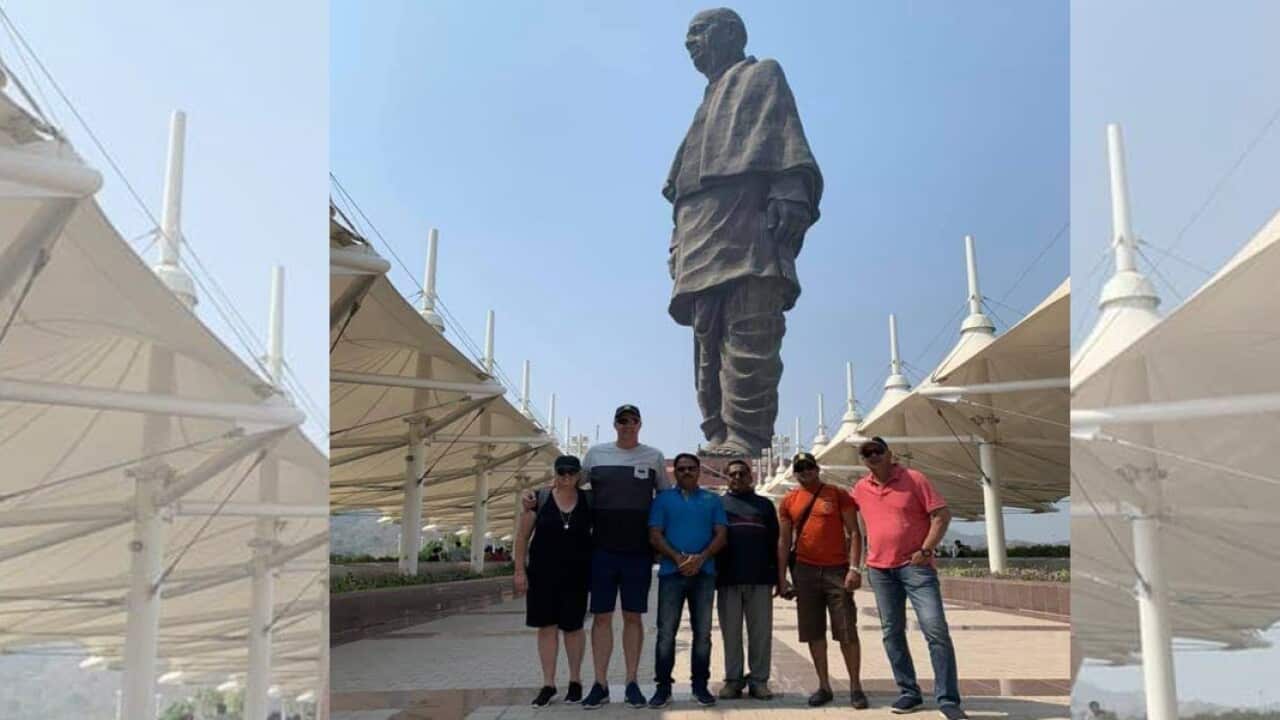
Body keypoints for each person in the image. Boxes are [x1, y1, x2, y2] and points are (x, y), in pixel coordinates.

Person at [665, 8, 823, 456]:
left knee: (750, 328)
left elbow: (786, 137)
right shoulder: (705, 102)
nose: (690, 43)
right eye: (688, 35)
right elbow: (680, 187)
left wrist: (790, 189)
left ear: (731, 33)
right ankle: (717, 431)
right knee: (707, 340)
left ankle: (747, 437)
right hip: (698, 230)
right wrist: (677, 240)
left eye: (699, 31)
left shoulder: (762, 75)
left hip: (746, 220)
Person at [523, 404, 671, 709]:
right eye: (622, 421)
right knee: (601, 618)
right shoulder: (595, 454)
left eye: (632, 421)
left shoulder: (654, 457)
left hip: (637, 553)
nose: (627, 425)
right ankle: (600, 684)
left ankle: (631, 682)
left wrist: (663, 544)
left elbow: (665, 499)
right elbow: (569, 484)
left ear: (640, 424)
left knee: (633, 617)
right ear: (615, 424)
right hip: (601, 551)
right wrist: (535, 495)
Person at [852, 437, 967, 719]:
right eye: (867, 453)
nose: (873, 456)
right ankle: (908, 692)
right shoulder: (861, 488)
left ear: (890, 453)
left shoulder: (914, 479)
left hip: (915, 567)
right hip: (880, 570)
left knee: (935, 629)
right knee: (892, 632)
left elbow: (941, 514)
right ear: (863, 459)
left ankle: (948, 699)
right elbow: (850, 524)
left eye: (878, 450)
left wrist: (926, 549)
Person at [776, 452, 867, 708]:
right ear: (795, 473)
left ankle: (855, 687)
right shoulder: (789, 501)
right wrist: (782, 578)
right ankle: (824, 686)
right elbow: (784, 540)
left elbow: (854, 532)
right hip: (804, 571)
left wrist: (854, 568)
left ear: (817, 469)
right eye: (800, 468)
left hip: (836, 570)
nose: (805, 471)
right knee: (813, 631)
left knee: (846, 629)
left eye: (809, 466)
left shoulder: (837, 494)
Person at [647, 453, 728, 708]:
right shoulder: (663, 500)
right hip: (671, 575)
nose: (686, 472)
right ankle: (663, 688)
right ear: (675, 472)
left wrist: (700, 559)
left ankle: (700, 686)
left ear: (698, 470)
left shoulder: (712, 500)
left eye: (691, 468)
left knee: (702, 633)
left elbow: (721, 535)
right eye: (681, 469)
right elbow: (655, 534)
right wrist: (678, 558)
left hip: (704, 575)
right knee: (666, 634)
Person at [513, 455, 593, 707]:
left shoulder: (588, 501)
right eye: (562, 472)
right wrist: (519, 571)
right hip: (542, 575)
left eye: (571, 473)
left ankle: (575, 681)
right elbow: (522, 537)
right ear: (555, 473)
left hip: (577, 575)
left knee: (573, 628)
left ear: (578, 475)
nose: (566, 477)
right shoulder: (539, 499)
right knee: (546, 627)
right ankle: (548, 684)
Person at [715, 458, 779, 700]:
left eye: (742, 473)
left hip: (760, 578)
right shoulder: (718, 505)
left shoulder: (764, 506)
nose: (737, 477)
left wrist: (779, 577)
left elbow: (775, 543)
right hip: (728, 578)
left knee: (760, 633)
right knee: (731, 634)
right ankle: (733, 680)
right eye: (733, 474)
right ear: (727, 478)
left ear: (750, 476)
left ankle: (759, 681)